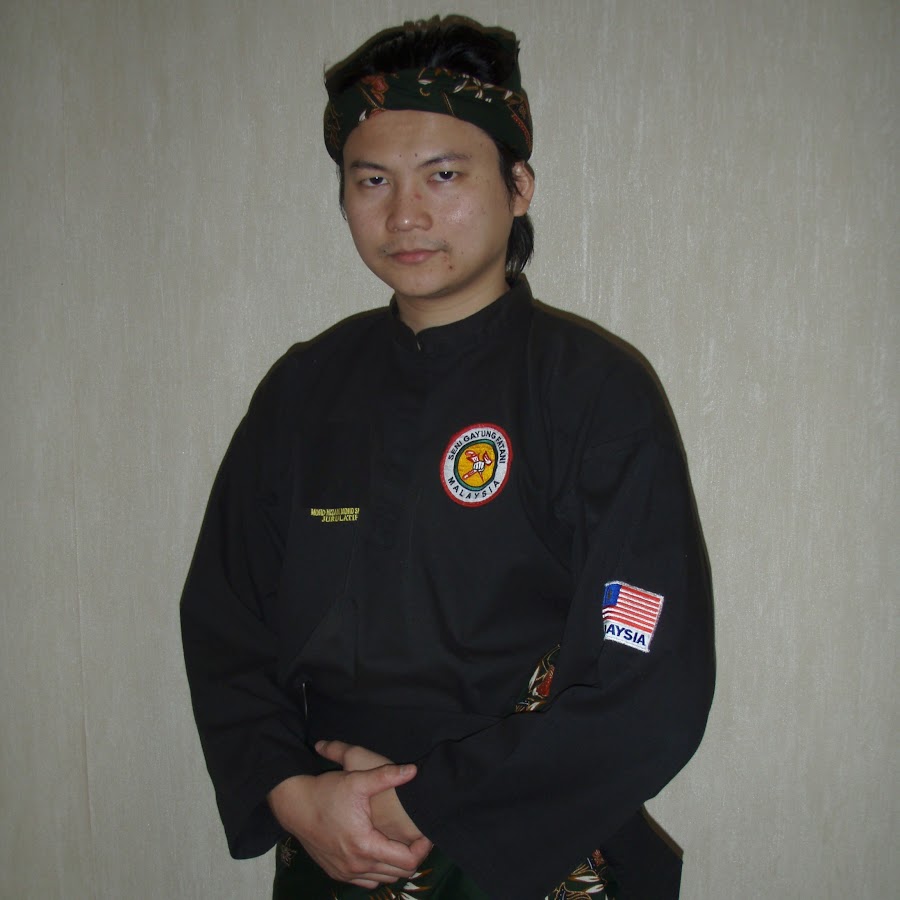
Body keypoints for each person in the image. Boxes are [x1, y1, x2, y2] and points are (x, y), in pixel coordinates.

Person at [180, 15, 715, 900]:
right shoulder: (303, 390)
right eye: (372, 180)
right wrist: (289, 791)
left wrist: (424, 804)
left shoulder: (593, 390)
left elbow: (647, 663)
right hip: (331, 840)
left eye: (444, 174)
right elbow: (223, 617)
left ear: (519, 185)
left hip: (532, 846)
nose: (404, 215)